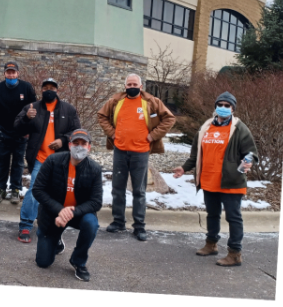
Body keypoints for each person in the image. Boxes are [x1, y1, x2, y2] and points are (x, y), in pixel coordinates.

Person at [173, 91, 258, 267]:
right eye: (220, 105)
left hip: (231, 182)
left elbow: (251, 152)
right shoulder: (206, 127)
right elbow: (196, 155)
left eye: (227, 105)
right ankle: (211, 244)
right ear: (216, 107)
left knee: (233, 218)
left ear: (233, 108)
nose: (223, 108)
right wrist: (184, 168)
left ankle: (235, 253)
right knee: (212, 214)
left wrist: (246, 164)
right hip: (209, 180)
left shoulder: (239, 128)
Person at [96, 73, 176, 241]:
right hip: (120, 150)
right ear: (125, 86)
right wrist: (112, 133)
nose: (132, 87)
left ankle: (139, 226)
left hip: (141, 152)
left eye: (135, 85)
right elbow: (101, 116)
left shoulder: (152, 102)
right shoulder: (116, 101)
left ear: (141, 87)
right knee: (118, 188)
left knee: (139, 191)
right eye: (129, 84)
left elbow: (169, 118)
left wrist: (153, 135)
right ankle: (118, 222)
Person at [14, 78, 81, 243]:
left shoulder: (68, 109)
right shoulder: (32, 108)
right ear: (41, 90)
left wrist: (63, 140)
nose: (48, 90)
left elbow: (77, 131)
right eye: (45, 88)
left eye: (52, 88)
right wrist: (26, 118)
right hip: (40, 159)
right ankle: (26, 225)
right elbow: (17, 127)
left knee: (58, 194)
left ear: (57, 91)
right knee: (35, 191)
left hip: (60, 161)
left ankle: (52, 228)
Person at [32, 129, 103, 282]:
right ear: (69, 145)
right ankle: (56, 239)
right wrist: (60, 210)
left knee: (91, 223)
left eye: (83, 144)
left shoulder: (95, 169)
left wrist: (72, 212)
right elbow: (38, 190)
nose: (79, 147)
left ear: (89, 147)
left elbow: (96, 201)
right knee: (43, 263)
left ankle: (78, 261)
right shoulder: (53, 161)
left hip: (78, 214)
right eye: (75, 143)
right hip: (52, 214)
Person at [0, 62, 37, 204]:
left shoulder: (26, 87)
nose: (11, 75)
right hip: (3, 132)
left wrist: (29, 129)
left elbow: (34, 109)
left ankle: (15, 189)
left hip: (21, 132)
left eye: (13, 72)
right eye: (8, 72)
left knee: (18, 163)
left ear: (18, 73)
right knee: (2, 161)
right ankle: (0, 188)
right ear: (4, 74)